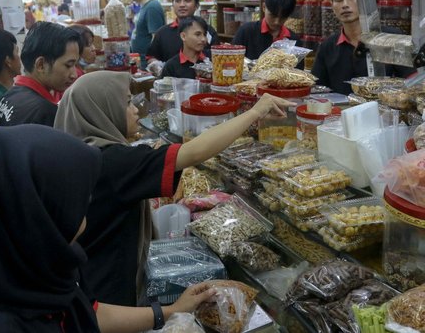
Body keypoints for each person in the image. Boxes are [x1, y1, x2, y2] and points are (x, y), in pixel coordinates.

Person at [54, 71, 294, 306]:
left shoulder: (80, 153)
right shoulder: (113, 162)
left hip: (88, 279)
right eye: (127, 102)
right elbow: (194, 152)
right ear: (101, 110)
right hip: (110, 289)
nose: (136, 109)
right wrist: (254, 112)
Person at [0, 125, 214, 333]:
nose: (87, 214)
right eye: (79, 202)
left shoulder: (32, 267)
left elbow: (85, 310)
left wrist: (170, 311)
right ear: (35, 217)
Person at [311, 0, 416, 95]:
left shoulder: (391, 38)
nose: (345, 4)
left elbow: (413, 84)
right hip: (340, 112)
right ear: (332, 6)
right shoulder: (327, 46)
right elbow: (317, 89)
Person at [0, 21, 80, 127]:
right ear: (41, 65)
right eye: (68, 65)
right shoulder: (45, 112)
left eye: (75, 65)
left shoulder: (5, 98)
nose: (74, 74)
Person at [148, 0, 219, 62]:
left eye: (187, 0)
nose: (182, 5)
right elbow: (150, 57)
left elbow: (217, 57)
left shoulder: (208, 31)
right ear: (173, 4)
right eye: (178, 1)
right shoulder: (162, 33)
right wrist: (158, 66)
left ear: (197, 6)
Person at [232, 0, 301, 60]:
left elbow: (297, 70)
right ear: (264, 7)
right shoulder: (246, 32)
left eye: (283, 17)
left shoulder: (294, 40)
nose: (277, 22)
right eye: (273, 16)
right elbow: (232, 62)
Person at [128, 0, 165, 69]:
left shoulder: (152, 7)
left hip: (148, 64)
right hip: (140, 62)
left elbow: (156, 38)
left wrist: (151, 62)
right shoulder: (144, 7)